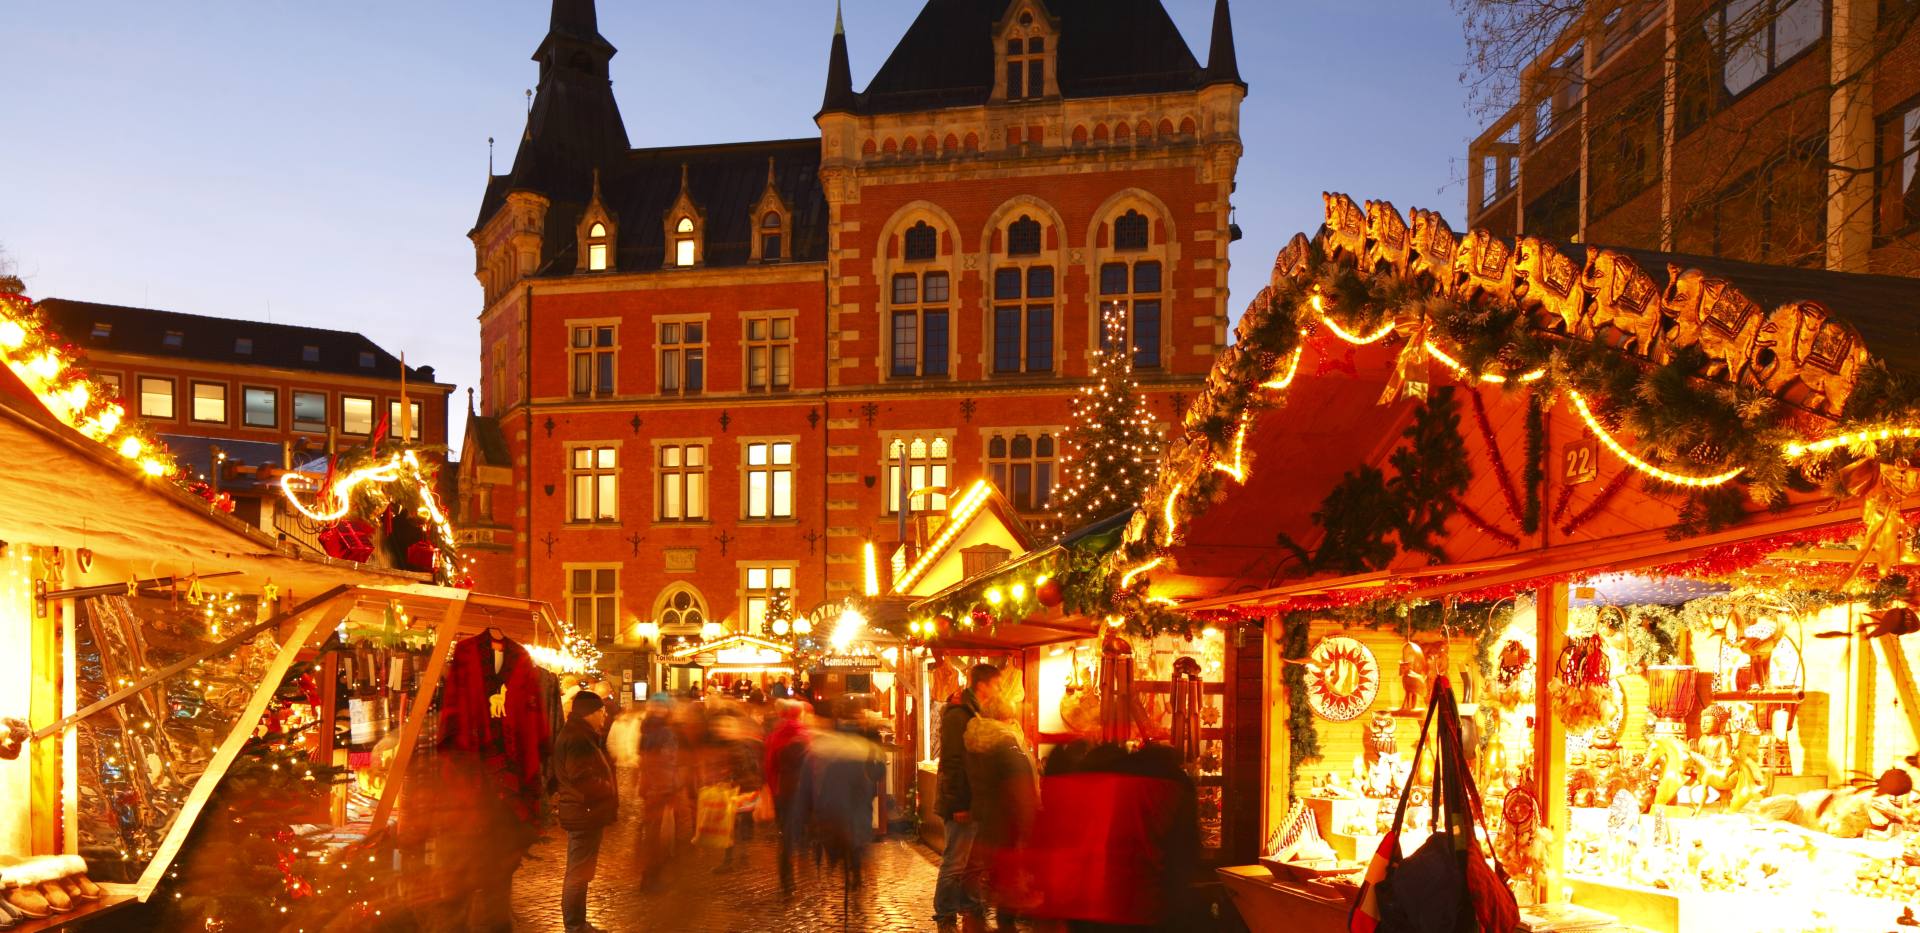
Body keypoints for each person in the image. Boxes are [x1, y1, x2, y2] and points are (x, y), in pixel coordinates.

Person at [965, 675, 1038, 933]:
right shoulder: (1007, 745)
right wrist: (1028, 827)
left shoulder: (977, 741)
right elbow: (1020, 790)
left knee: (991, 880)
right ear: (1006, 718)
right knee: (1007, 886)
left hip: (986, 820)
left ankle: (977, 921)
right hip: (1008, 825)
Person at [934, 664, 999, 933]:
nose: (998, 689)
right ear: (983, 685)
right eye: (996, 684)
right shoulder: (959, 715)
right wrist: (959, 803)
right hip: (961, 802)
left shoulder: (976, 713)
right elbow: (952, 762)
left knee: (971, 861)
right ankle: (945, 913)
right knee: (955, 862)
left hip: (974, 801)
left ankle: (969, 905)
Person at [550, 690, 618, 933]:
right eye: (601, 711)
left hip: (583, 811)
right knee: (578, 872)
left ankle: (578, 922)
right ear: (590, 713)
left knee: (581, 871)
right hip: (584, 812)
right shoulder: (579, 738)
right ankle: (575, 926)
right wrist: (607, 788)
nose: (604, 715)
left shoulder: (580, 734)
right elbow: (581, 777)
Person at [763, 699, 812, 896]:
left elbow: (769, 767)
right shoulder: (807, 736)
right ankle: (807, 870)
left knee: (785, 835)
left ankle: (787, 878)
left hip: (783, 791)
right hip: (804, 792)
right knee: (805, 832)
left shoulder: (775, 736)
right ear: (799, 715)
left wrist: (773, 789)